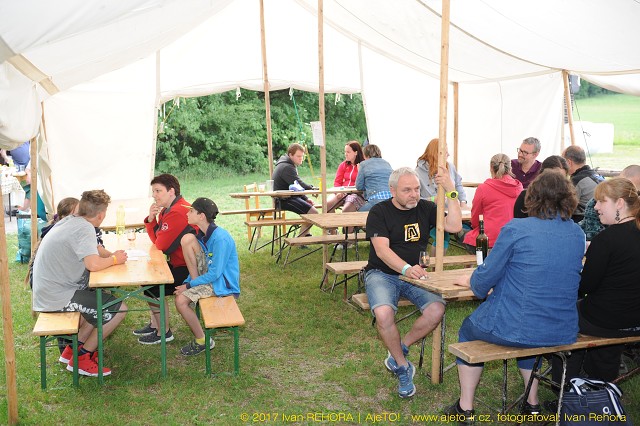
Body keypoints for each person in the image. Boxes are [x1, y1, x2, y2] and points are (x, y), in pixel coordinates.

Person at [447, 170, 584, 422]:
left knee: (468, 330)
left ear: (532, 197)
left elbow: (482, 283)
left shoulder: (517, 229)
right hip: (561, 329)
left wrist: (470, 279)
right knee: (530, 334)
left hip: (517, 327)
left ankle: (465, 407)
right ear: (569, 198)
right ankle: (532, 403)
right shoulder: (577, 233)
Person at [364, 167, 462, 398]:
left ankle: (401, 348)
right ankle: (402, 366)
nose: (414, 194)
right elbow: (382, 250)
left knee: (436, 309)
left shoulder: (425, 208)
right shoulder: (379, 212)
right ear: (392, 190)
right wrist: (406, 269)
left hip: (416, 274)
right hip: (382, 273)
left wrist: (451, 191)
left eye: (417, 189)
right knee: (384, 314)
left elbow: (455, 226)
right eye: (407, 190)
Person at [548, 178, 640, 394]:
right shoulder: (619, 236)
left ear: (619, 203)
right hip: (635, 320)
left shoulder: (607, 239)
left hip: (608, 320)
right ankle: (600, 383)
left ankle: (564, 388)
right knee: (601, 312)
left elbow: (587, 285)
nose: (596, 207)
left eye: (601, 201)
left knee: (563, 315)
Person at [32, 190, 129, 377]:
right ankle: (83, 358)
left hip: (49, 291)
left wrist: (112, 256)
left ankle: (72, 351)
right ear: (100, 215)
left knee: (98, 302)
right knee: (119, 309)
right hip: (56, 297)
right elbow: (93, 265)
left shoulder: (73, 221)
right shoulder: (84, 228)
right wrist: (115, 260)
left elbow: (95, 251)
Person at [175, 197, 240, 356]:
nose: (187, 214)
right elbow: (202, 264)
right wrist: (190, 281)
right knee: (187, 239)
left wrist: (188, 286)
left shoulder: (220, 238)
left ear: (201, 216)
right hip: (211, 278)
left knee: (181, 301)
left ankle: (202, 341)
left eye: (191, 211)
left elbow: (215, 273)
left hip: (221, 284)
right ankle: (194, 286)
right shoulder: (203, 234)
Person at [135, 174, 195, 344]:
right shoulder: (169, 210)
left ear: (171, 191)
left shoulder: (177, 212)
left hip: (192, 270)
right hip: (182, 263)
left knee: (152, 285)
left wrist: (152, 224)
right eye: (153, 191)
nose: (154, 195)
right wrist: (151, 219)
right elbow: (158, 240)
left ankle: (164, 332)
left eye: (158, 191)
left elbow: (161, 245)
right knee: (149, 279)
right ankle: (155, 325)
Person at [415, 138, 467, 253]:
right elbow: (415, 199)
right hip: (431, 213)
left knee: (468, 229)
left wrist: (463, 202)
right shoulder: (418, 173)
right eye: (445, 152)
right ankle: (435, 264)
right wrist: (432, 199)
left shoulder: (450, 167)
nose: (448, 154)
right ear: (436, 153)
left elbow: (458, 184)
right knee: (442, 236)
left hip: (451, 210)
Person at [462, 153, 522, 251]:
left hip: (488, 240)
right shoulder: (519, 188)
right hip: (513, 239)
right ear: (510, 168)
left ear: (491, 168)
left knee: (460, 232)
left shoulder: (483, 188)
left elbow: (476, 218)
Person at [579, 164, 640, 241]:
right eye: (622, 184)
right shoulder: (596, 203)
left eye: (634, 190)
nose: (626, 189)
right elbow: (594, 236)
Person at [272, 143, 319, 237]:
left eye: (302, 156)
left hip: (289, 197)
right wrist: (312, 188)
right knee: (313, 213)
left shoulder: (287, 164)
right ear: (290, 155)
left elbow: (295, 187)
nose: (301, 158)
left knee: (312, 212)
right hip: (283, 200)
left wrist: (305, 199)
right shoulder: (287, 167)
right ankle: (301, 238)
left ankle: (306, 234)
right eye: (298, 156)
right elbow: (298, 183)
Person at [562, 145, 604, 223]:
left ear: (569, 162)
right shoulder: (597, 175)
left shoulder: (576, 181)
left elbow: (565, 207)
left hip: (587, 221)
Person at [326, 141, 365, 214]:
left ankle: (347, 222)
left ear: (356, 153)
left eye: (348, 152)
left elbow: (364, 183)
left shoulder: (363, 165)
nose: (345, 154)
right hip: (342, 191)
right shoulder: (343, 165)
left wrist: (360, 171)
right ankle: (333, 221)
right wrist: (338, 191)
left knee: (346, 209)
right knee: (327, 204)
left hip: (357, 193)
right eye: (345, 152)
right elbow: (337, 181)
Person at [355, 144, 393, 212]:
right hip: (391, 199)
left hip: (375, 200)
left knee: (359, 215)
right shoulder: (387, 163)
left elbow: (359, 186)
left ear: (365, 154)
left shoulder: (363, 164)